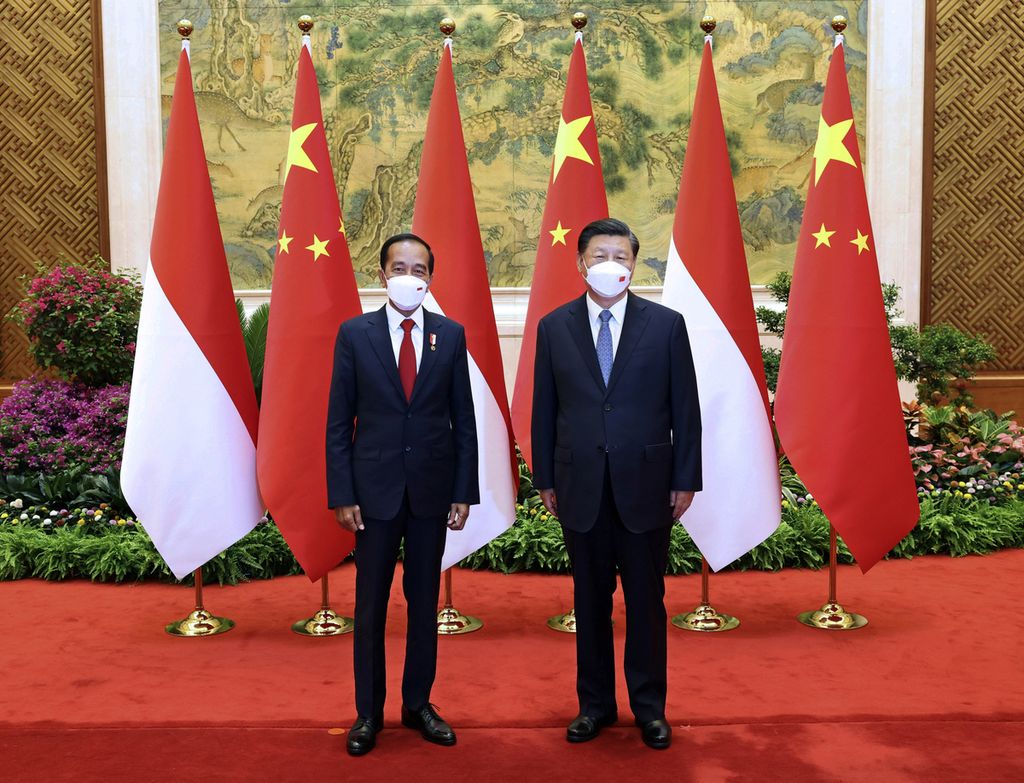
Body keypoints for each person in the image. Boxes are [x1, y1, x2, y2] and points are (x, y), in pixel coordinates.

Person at [531, 218, 702, 750]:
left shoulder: (666, 325)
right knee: (590, 603)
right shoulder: (554, 327)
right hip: (580, 486)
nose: (611, 265)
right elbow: (544, 410)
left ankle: (650, 708)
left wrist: (685, 479)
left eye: (621, 256)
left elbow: (686, 411)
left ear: (634, 264)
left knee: (647, 603)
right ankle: (595, 706)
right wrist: (543, 477)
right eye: (600, 255)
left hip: (647, 486)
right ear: (580, 263)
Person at [326, 233, 479, 757]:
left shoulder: (450, 335)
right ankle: (368, 712)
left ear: (430, 278)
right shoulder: (355, 334)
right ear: (382, 273)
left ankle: (418, 704)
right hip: (372, 495)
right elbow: (336, 422)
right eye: (399, 267)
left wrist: (464, 489)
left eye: (419, 269)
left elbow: (464, 420)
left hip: (432, 493)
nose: (409, 276)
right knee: (369, 606)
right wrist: (342, 492)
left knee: (422, 604)